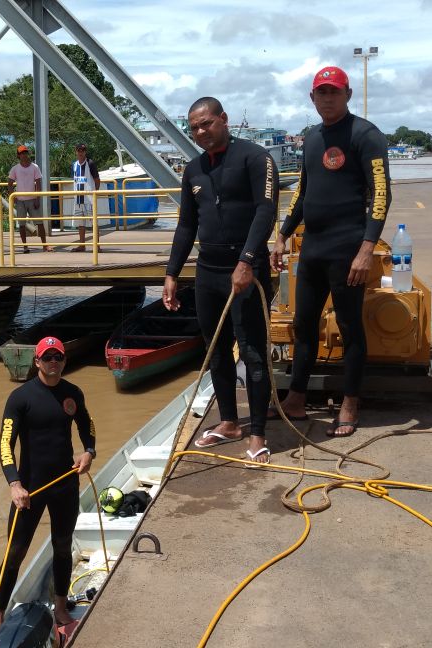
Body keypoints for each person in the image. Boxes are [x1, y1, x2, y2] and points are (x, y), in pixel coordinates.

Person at [270, 66, 391, 437]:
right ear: (312, 98)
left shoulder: (366, 136)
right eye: (321, 93)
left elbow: (382, 195)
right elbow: (302, 193)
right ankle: (297, 397)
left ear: (348, 95)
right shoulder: (311, 138)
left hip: (349, 249)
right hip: (314, 250)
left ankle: (351, 401)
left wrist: (366, 249)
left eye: (334, 92)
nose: (327, 98)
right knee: (304, 326)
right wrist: (282, 234)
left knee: (351, 328)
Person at [163, 96, 280, 465]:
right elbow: (186, 225)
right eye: (194, 128)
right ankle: (229, 422)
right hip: (208, 271)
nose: (200, 132)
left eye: (206, 124)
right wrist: (171, 273)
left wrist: (247, 260)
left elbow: (266, 210)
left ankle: (258, 433)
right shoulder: (193, 169)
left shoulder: (255, 158)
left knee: (253, 352)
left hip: (247, 269)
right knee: (215, 349)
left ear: (223, 120)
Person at [0, 336, 96, 647]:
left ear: (64, 361)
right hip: (29, 491)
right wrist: (14, 484)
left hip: (64, 485)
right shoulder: (20, 397)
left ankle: (61, 609)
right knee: (14, 554)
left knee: (62, 547)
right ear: (37, 361)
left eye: (57, 357)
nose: (52, 362)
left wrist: (89, 452)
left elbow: (87, 426)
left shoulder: (72, 393)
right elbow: (4, 444)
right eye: (46, 357)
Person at [7, 145, 49, 253]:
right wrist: (13, 197)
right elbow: (10, 183)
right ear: (18, 155)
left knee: (39, 223)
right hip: (20, 200)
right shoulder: (15, 168)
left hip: (32, 199)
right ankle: (25, 246)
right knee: (21, 224)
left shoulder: (34, 167)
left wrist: (37, 198)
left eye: (25, 153)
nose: (24, 155)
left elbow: (38, 183)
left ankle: (45, 245)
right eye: (22, 153)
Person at [66, 143, 101, 252]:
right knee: (80, 224)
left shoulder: (90, 163)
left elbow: (97, 180)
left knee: (93, 222)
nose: (81, 152)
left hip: (89, 199)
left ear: (85, 152)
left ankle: (97, 246)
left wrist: (94, 193)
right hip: (78, 199)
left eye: (83, 150)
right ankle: (82, 245)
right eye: (79, 150)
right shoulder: (74, 165)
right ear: (76, 151)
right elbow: (75, 179)